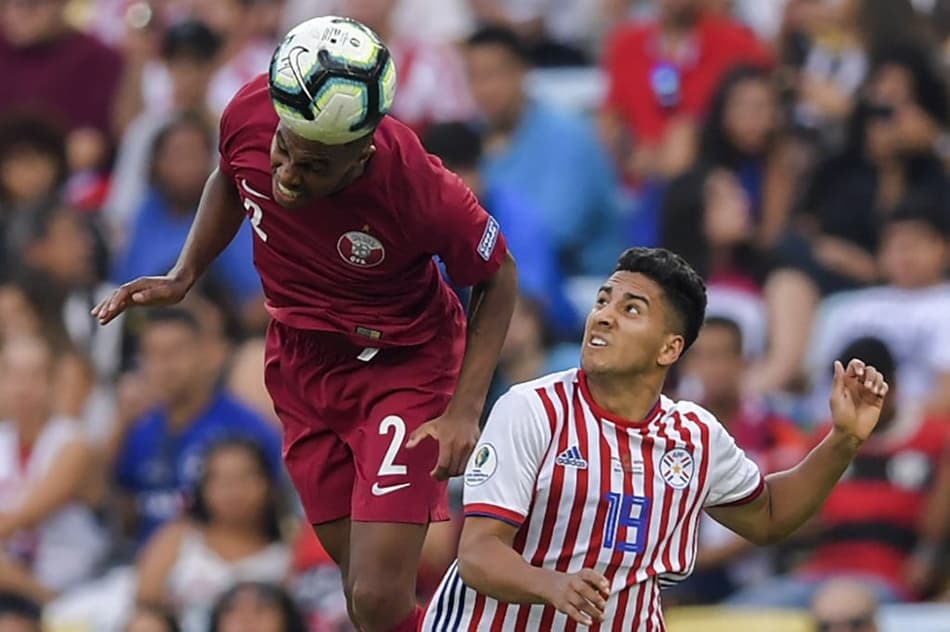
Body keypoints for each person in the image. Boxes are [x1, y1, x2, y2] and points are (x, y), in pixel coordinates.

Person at [93, 15, 518, 632]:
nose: (288, 173)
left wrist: (464, 410)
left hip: (402, 365)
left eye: (314, 165)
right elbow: (231, 177)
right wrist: (185, 273)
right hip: (299, 361)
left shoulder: (422, 190)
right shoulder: (252, 109)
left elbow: (498, 276)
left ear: (362, 153)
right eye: (284, 149)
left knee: (376, 595)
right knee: (361, 596)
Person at [422, 246, 889, 630]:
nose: (603, 317)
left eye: (630, 309)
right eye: (603, 301)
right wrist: (553, 585)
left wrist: (843, 439)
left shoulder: (695, 435)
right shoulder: (531, 409)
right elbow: (479, 554)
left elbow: (768, 516)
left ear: (670, 348)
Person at [136, 439, 292, 632]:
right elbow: (144, 606)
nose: (233, 490)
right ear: (203, 488)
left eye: (245, 477)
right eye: (221, 480)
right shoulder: (178, 538)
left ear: (269, 484)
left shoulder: (290, 549)